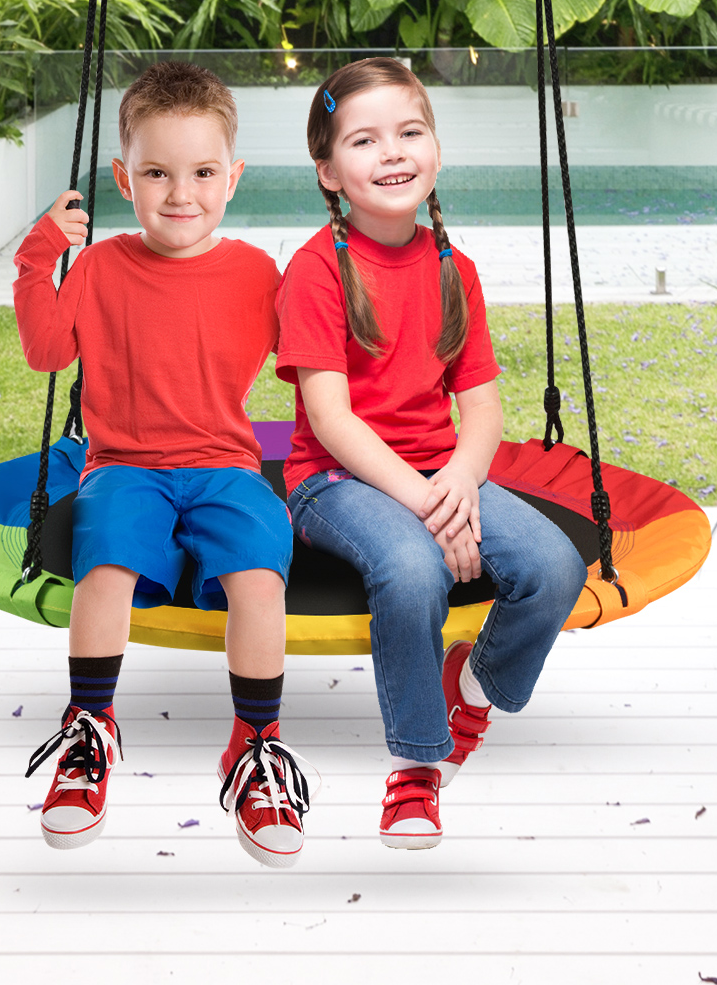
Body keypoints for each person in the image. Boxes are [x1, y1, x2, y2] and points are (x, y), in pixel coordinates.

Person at [276, 57, 587, 849]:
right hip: (334, 482)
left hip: (435, 472)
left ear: (437, 152)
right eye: (365, 140)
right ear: (329, 172)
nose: (392, 153)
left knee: (555, 566)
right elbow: (331, 419)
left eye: (410, 132)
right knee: (411, 567)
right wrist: (429, 509)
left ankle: (475, 686)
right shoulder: (315, 271)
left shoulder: (456, 269)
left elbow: (481, 406)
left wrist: (455, 482)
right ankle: (417, 765)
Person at [13, 61, 311, 868]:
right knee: (102, 572)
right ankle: (91, 729)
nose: (182, 194)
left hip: (228, 466)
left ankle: (255, 744)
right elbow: (46, 349)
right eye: (157, 173)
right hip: (123, 466)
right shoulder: (101, 268)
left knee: (260, 579)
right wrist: (39, 260)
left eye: (203, 173)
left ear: (234, 177)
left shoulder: (259, 274)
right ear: (123, 178)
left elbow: (320, 362)